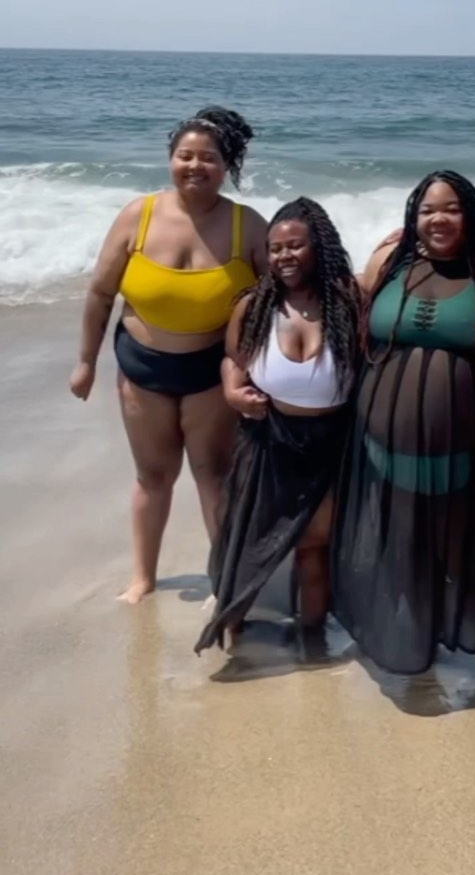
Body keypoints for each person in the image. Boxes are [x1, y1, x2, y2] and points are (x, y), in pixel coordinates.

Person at [69, 106, 267, 603]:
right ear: (170, 159)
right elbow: (101, 293)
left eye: (208, 158)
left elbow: (282, 294)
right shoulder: (138, 215)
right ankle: (143, 578)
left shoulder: (246, 225)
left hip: (211, 370)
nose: (195, 166)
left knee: (212, 475)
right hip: (142, 366)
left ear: (227, 166)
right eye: (185, 155)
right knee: (153, 476)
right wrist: (86, 361)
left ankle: (226, 581)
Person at [332, 171, 475, 676]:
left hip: (464, 450)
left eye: (452, 209)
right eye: (428, 210)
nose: (439, 219)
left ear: (472, 215)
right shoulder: (388, 262)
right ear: (412, 217)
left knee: (462, 552)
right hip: (382, 450)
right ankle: (411, 646)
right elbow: (339, 309)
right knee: (402, 548)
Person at [195, 198, 361, 653]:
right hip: (267, 439)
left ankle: (312, 641)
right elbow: (233, 359)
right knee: (246, 542)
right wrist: (232, 391)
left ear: (319, 247)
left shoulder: (349, 303)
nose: (285, 256)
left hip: (331, 444)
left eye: (295, 246)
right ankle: (233, 635)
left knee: (312, 547)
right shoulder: (253, 306)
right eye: (275, 248)